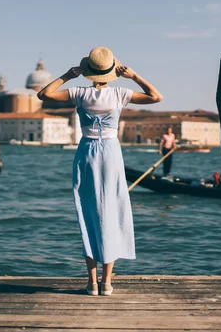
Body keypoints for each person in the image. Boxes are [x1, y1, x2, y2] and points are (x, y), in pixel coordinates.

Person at [37, 46, 162, 296]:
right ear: (112, 70)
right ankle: (107, 282)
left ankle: (91, 283)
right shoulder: (120, 94)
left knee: (88, 213)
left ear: (89, 71)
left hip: (86, 153)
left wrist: (68, 75)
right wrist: (134, 76)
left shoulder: (79, 93)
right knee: (111, 213)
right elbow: (155, 96)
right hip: (112, 154)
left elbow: (44, 94)